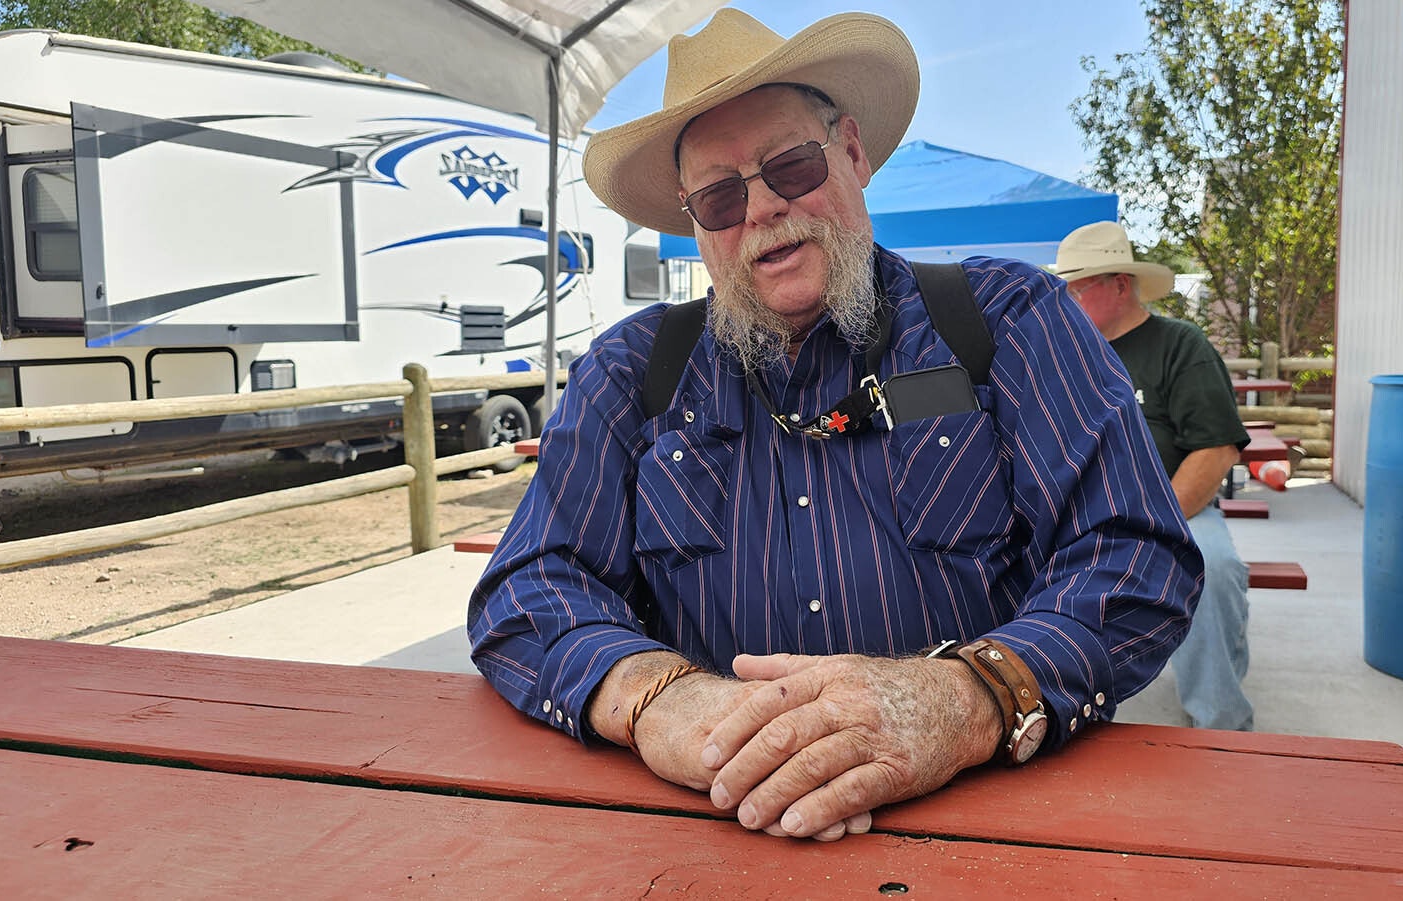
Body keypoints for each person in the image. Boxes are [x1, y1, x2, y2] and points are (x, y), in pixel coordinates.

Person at [468, 9, 1201, 844]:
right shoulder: (632, 372)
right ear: (693, 220)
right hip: (716, 832)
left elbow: (1137, 551)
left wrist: (963, 699)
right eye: (719, 194)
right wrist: (653, 695)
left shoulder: (1004, 320)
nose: (765, 210)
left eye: (789, 164)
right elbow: (526, 585)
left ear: (851, 151)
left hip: (996, 829)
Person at [1055, 221, 1254, 731]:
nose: (1066, 301)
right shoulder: (1063, 353)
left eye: (1077, 288)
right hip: (1079, 514)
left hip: (1176, 508)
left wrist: (1152, 523)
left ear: (1121, 284)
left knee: (1213, 569)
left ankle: (1221, 729)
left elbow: (1215, 449)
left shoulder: (1180, 346)